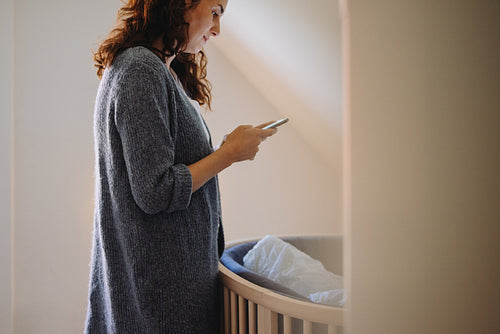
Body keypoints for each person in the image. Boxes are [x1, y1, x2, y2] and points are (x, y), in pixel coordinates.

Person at [84, 0, 277, 332]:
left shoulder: (156, 69)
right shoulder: (139, 69)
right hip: (159, 298)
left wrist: (224, 151)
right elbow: (155, 191)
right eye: (215, 12)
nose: (217, 29)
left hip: (163, 291)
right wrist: (227, 154)